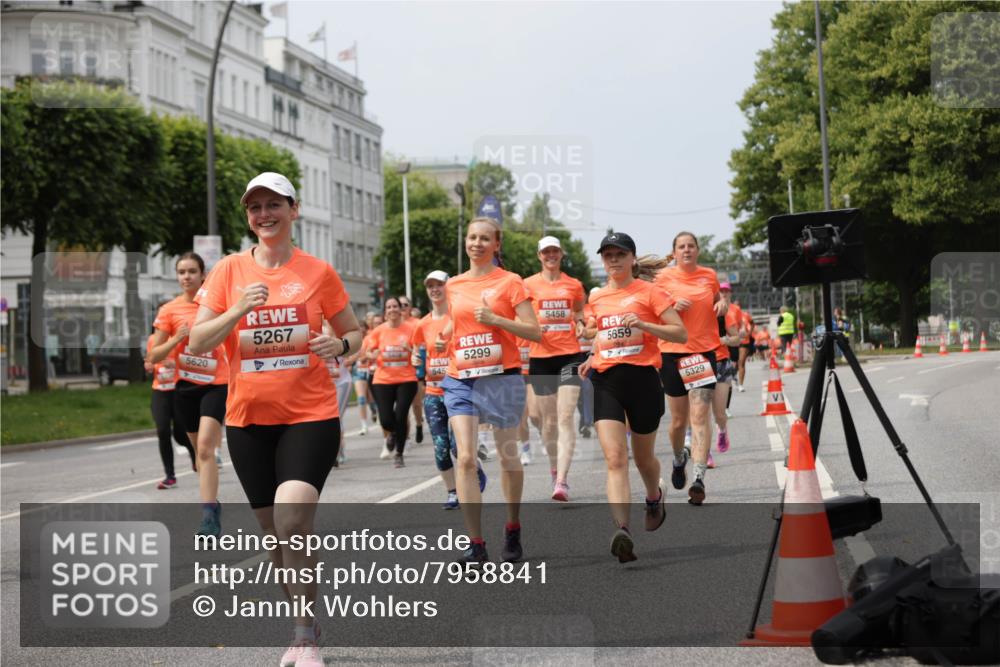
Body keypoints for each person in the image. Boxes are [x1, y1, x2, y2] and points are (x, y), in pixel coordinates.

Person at [189, 172, 363, 667]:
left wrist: (338, 344)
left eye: (273, 205)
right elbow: (198, 341)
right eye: (255, 207)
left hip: (310, 415)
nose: (264, 214)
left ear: (293, 209)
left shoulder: (318, 272)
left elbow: (355, 334)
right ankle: (305, 620)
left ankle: (304, 638)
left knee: (292, 518)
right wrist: (237, 309)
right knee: (274, 537)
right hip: (247, 422)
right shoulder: (228, 271)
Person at [438, 216, 542, 563]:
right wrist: (445, 336)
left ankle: (512, 527)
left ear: (496, 244)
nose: (477, 244)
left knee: (508, 456)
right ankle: (476, 544)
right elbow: (458, 322)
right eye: (472, 237)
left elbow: (534, 331)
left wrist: (497, 320)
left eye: (485, 239)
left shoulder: (511, 282)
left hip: (501, 376)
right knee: (466, 458)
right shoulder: (453, 285)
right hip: (461, 378)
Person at [578, 232, 686, 562]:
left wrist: (644, 324)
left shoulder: (650, 292)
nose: (613, 260)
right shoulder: (597, 297)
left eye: (620, 254)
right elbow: (602, 334)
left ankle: (654, 496)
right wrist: (591, 354)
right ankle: (622, 529)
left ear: (632, 259)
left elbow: (679, 332)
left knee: (643, 459)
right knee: (615, 458)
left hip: (643, 381)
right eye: (607, 255)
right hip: (605, 381)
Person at [148, 252, 229, 535]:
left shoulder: (218, 305)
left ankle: (208, 515)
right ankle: (213, 503)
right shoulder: (169, 311)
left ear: (203, 274)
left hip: (217, 383)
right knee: (199, 456)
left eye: (192, 271)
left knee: (206, 447)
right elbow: (154, 355)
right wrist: (177, 338)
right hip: (186, 387)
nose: (186, 277)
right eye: (181, 272)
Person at [654, 232, 723, 506]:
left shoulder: (709, 275)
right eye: (681, 246)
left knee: (700, 415)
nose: (686, 250)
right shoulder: (662, 278)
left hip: (701, 352)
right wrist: (671, 305)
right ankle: (678, 457)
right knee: (678, 421)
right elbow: (651, 310)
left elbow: (717, 299)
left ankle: (699, 478)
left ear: (697, 250)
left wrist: (722, 304)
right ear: (674, 252)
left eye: (691, 246)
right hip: (671, 352)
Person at [410, 270, 488, 509]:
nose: (435, 290)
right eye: (430, 286)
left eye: (439, 285)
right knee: (441, 447)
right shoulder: (423, 324)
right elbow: (417, 351)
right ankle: (453, 492)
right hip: (433, 393)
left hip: (458, 389)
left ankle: (474, 469)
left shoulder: (460, 316)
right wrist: (415, 359)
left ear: (448, 287)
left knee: (457, 446)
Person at [524, 236, 587, 501]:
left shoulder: (574, 285)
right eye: (546, 252)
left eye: (555, 251)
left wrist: (581, 322)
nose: (550, 255)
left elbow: (580, 312)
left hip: (569, 356)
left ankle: (562, 480)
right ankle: (553, 468)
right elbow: (520, 316)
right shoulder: (527, 285)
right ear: (539, 256)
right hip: (540, 357)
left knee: (565, 417)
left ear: (561, 254)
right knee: (547, 423)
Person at [365, 296, 418, 467]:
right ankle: (394, 434)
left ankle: (399, 454)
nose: (392, 309)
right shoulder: (379, 331)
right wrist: (372, 355)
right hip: (383, 379)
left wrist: (410, 349)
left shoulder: (411, 329)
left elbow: (419, 351)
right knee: (386, 420)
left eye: (395, 306)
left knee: (401, 415)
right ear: (385, 312)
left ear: (400, 310)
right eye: (389, 307)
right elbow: (368, 352)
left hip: (406, 379)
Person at [145, 327, 195, 489]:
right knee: (162, 431)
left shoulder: (181, 337)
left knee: (181, 434)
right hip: (160, 391)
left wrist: (175, 364)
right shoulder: (153, 339)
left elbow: (193, 361)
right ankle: (170, 476)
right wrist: (148, 365)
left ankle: (195, 454)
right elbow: (149, 360)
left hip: (178, 389)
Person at [711, 283, 742, 457]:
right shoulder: (692, 313)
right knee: (699, 413)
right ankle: (703, 453)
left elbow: (736, 338)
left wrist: (725, 340)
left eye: (725, 291)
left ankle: (722, 430)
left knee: (720, 414)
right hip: (699, 362)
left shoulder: (726, 312)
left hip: (721, 362)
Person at [323, 321, 354, 467]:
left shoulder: (343, 335)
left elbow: (357, 348)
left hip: (342, 382)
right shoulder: (318, 332)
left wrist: (351, 359)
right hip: (324, 384)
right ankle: (337, 449)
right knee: (327, 418)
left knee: (336, 417)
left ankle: (336, 452)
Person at [398, 295, 425, 445]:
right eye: (400, 305)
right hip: (398, 370)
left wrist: (408, 348)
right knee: (403, 407)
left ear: (410, 307)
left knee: (416, 403)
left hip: (415, 368)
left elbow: (422, 346)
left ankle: (419, 425)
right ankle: (405, 436)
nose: (402, 308)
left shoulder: (417, 323)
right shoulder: (394, 324)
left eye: (405, 305)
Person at [350, 321, 371, 436]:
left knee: (372, 399)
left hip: (371, 371)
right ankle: (364, 425)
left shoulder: (371, 338)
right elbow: (349, 358)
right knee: (361, 398)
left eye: (363, 327)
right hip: (358, 372)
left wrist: (366, 356)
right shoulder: (353, 341)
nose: (361, 329)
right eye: (359, 327)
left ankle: (374, 410)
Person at [736, 298, 754, 391]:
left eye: (738, 306)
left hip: (744, 341)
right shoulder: (729, 315)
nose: (737, 308)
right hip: (733, 342)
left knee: (741, 362)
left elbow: (752, 323)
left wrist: (749, 333)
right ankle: (734, 377)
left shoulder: (746, 315)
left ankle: (740, 384)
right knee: (735, 363)